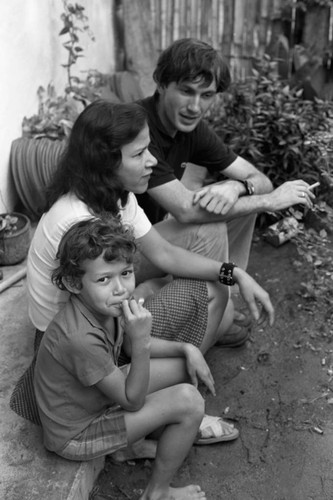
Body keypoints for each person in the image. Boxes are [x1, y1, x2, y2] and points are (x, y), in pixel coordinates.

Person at [23, 99, 274, 448]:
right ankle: (162, 418)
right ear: (106, 161)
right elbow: (109, 325)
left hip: (101, 322)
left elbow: (164, 253)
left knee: (215, 289)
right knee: (207, 313)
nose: (153, 161)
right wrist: (165, 339)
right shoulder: (79, 223)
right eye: (140, 154)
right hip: (82, 354)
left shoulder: (114, 196)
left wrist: (235, 274)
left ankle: (166, 404)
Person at [135, 37, 316, 343]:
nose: (195, 107)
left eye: (206, 95)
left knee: (237, 199)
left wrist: (236, 186)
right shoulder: (138, 127)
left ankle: (217, 301)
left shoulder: (190, 129)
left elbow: (258, 178)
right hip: (113, 255)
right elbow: (186, 210)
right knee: (210, 224)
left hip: (149, 237)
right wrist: (268, 201)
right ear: (162, 84)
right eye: (186, 91)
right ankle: (210, 315)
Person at [34, 217, 210, 500]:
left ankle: (131, 446)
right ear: (73, 282)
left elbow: (128, 341)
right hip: (77, 433)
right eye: (104, 279)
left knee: (181, 367)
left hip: (96, 400)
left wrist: (185, 348)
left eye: (126, 273)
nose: (121, 289)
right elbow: (132, 400)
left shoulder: (105, 305)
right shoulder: (78, 336)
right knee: (190, 402)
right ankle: (157, 493)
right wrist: (140, 341)